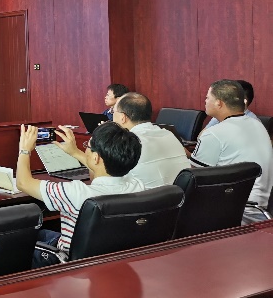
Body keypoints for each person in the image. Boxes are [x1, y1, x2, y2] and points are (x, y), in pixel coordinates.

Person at [15, 122, 143, 268]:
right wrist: (75, 152)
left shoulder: (76, 193)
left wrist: (24, 150)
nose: (86, 149)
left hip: (67, 261)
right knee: (42, 233)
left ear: (96, 158)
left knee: (19, 241)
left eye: (88, 146)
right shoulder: (138, 186)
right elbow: (102, 168)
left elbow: (23, 183)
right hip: (110, 258)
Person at [191, 80, 273, 223]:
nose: (205, 101)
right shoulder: (258, 124)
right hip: (261, 207)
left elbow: (195, 178)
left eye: (208, 97)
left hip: (239, 211)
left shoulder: (214, 133)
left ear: (219, 103)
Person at [113, 92, 190, 188]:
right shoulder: (169, 134)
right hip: (181, 195)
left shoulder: (127, 143)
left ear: (123, 117)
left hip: (146, 197)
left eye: (113, 112)